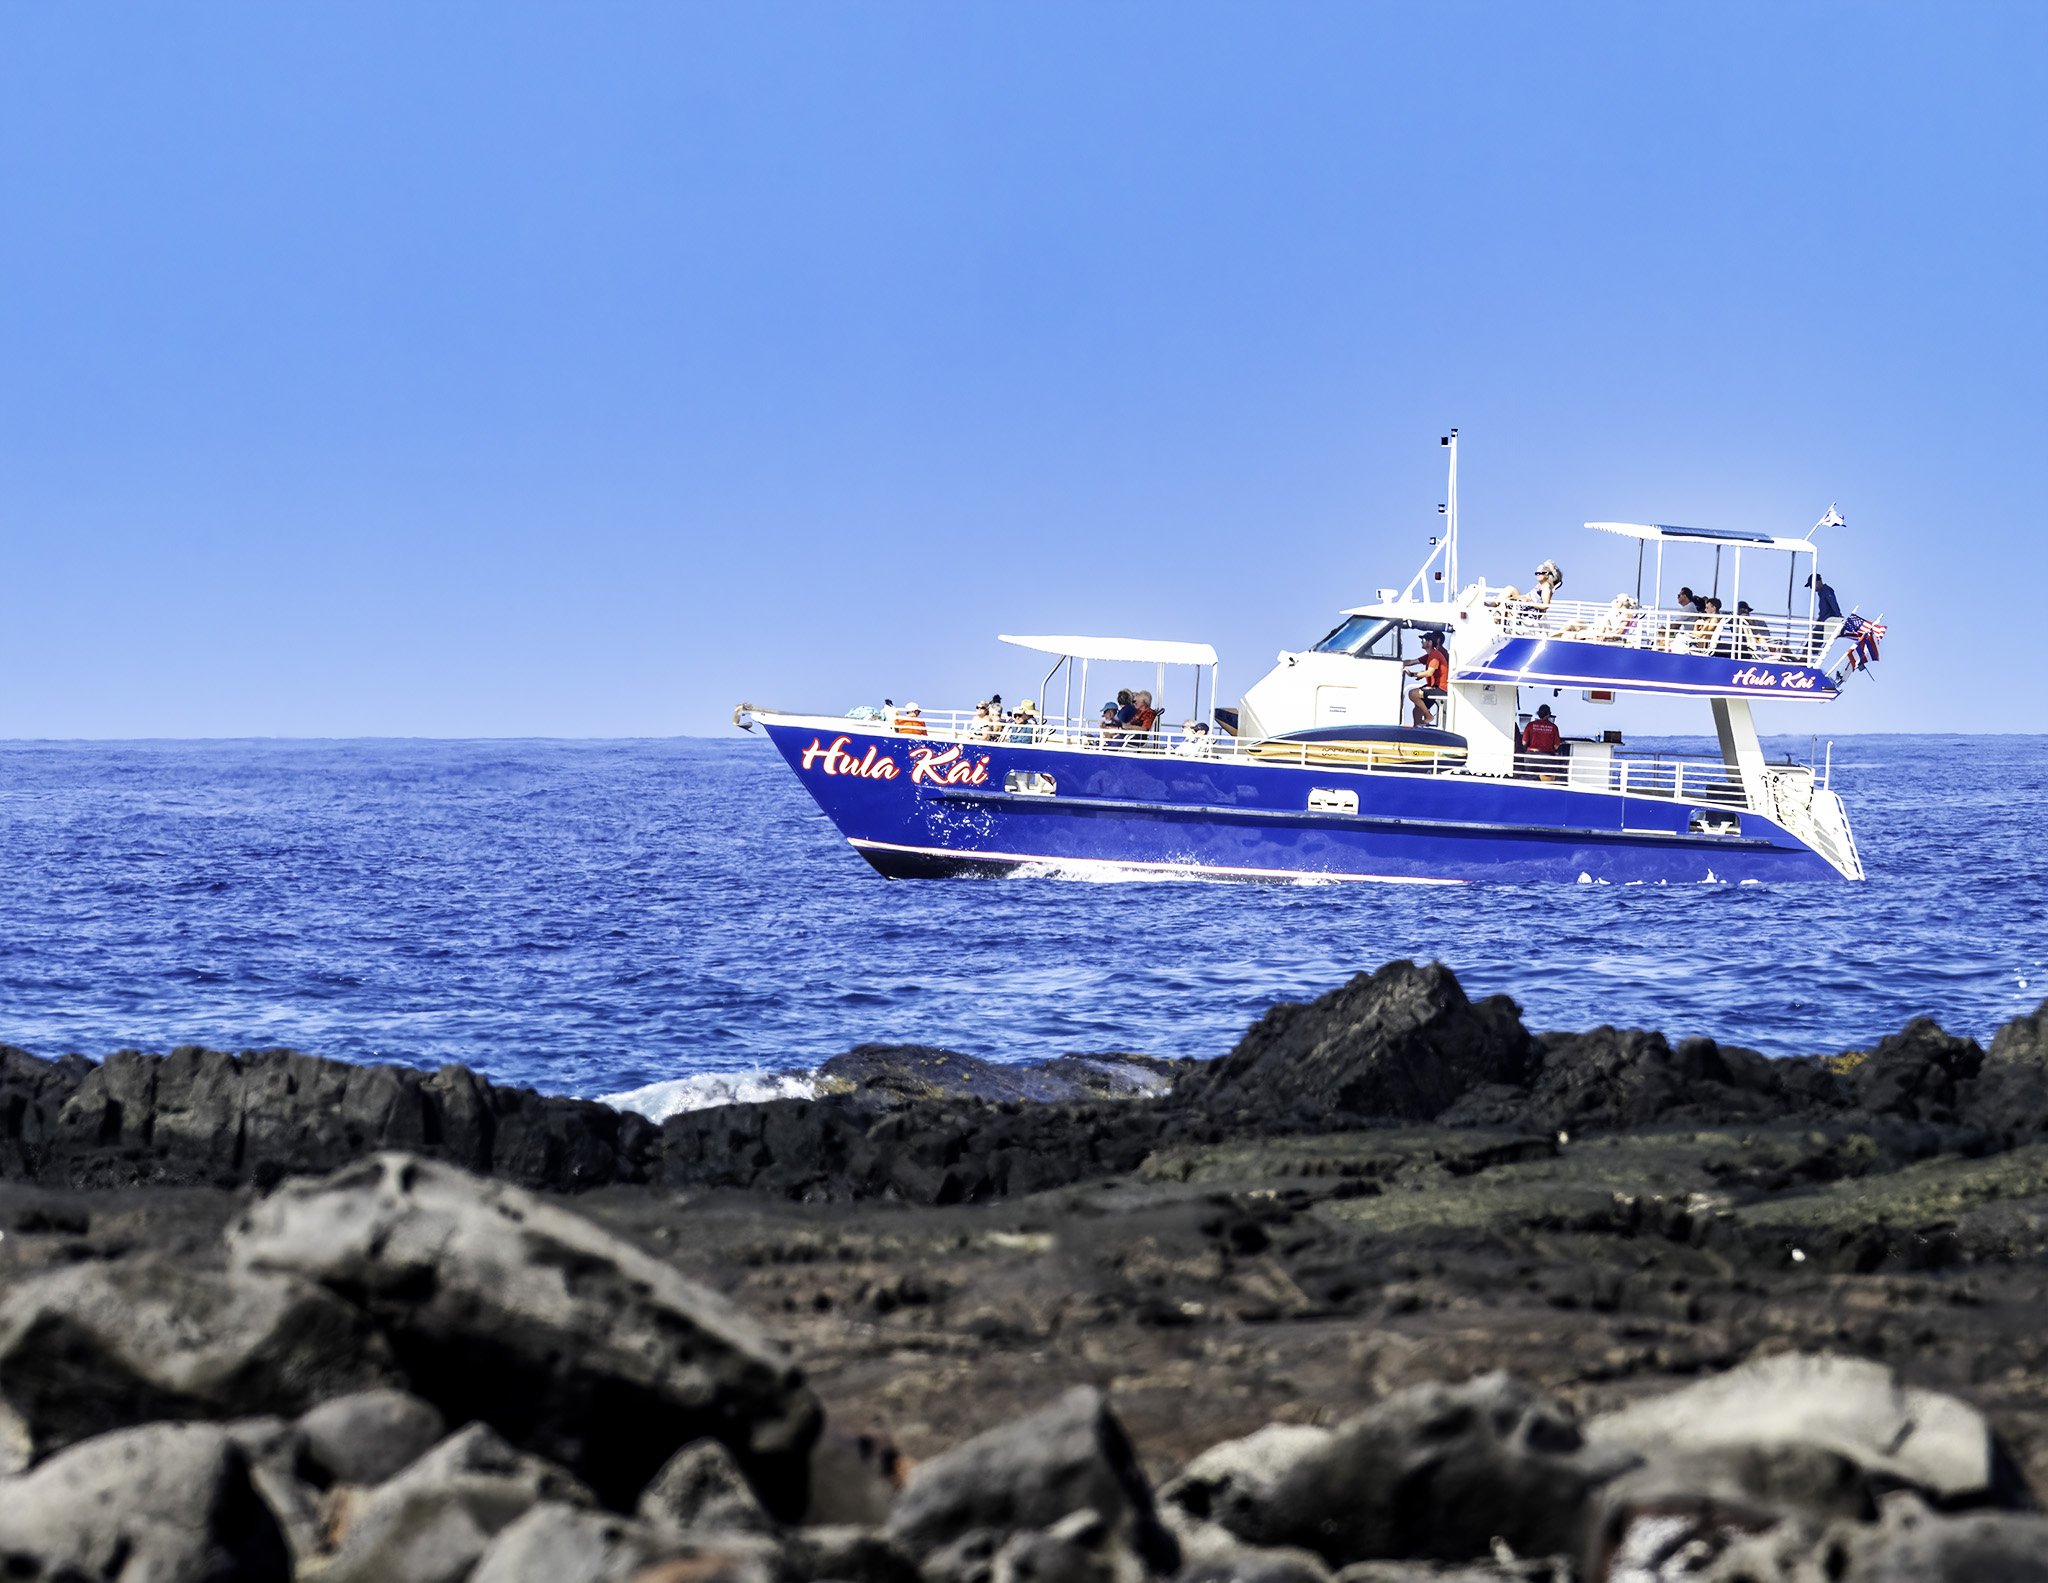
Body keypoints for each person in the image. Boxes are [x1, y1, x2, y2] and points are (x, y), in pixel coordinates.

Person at [1404, 630, 1450, 728]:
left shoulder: (1436, 654)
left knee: (1413, 693)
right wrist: (1397, 663)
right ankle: (1417, 730)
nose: (1421, 642)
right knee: (1417, 709)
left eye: (1423, 640)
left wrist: (1413, 674)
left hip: (1441, 688)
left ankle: (1428, 716)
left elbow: (1430, 672)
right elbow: (1412, 662)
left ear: (1430, 642)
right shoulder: (1431, 655)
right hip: (1433, 686)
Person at [1518, 703, 1563, 778]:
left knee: (1530, 779)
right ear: (1549, 714)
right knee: (1546, 781)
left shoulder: (1530, 725)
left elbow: (1524, 742)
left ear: (1538, 714)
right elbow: (1556, 745)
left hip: (1531, 757)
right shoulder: (1554, 727)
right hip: (1547, 758)